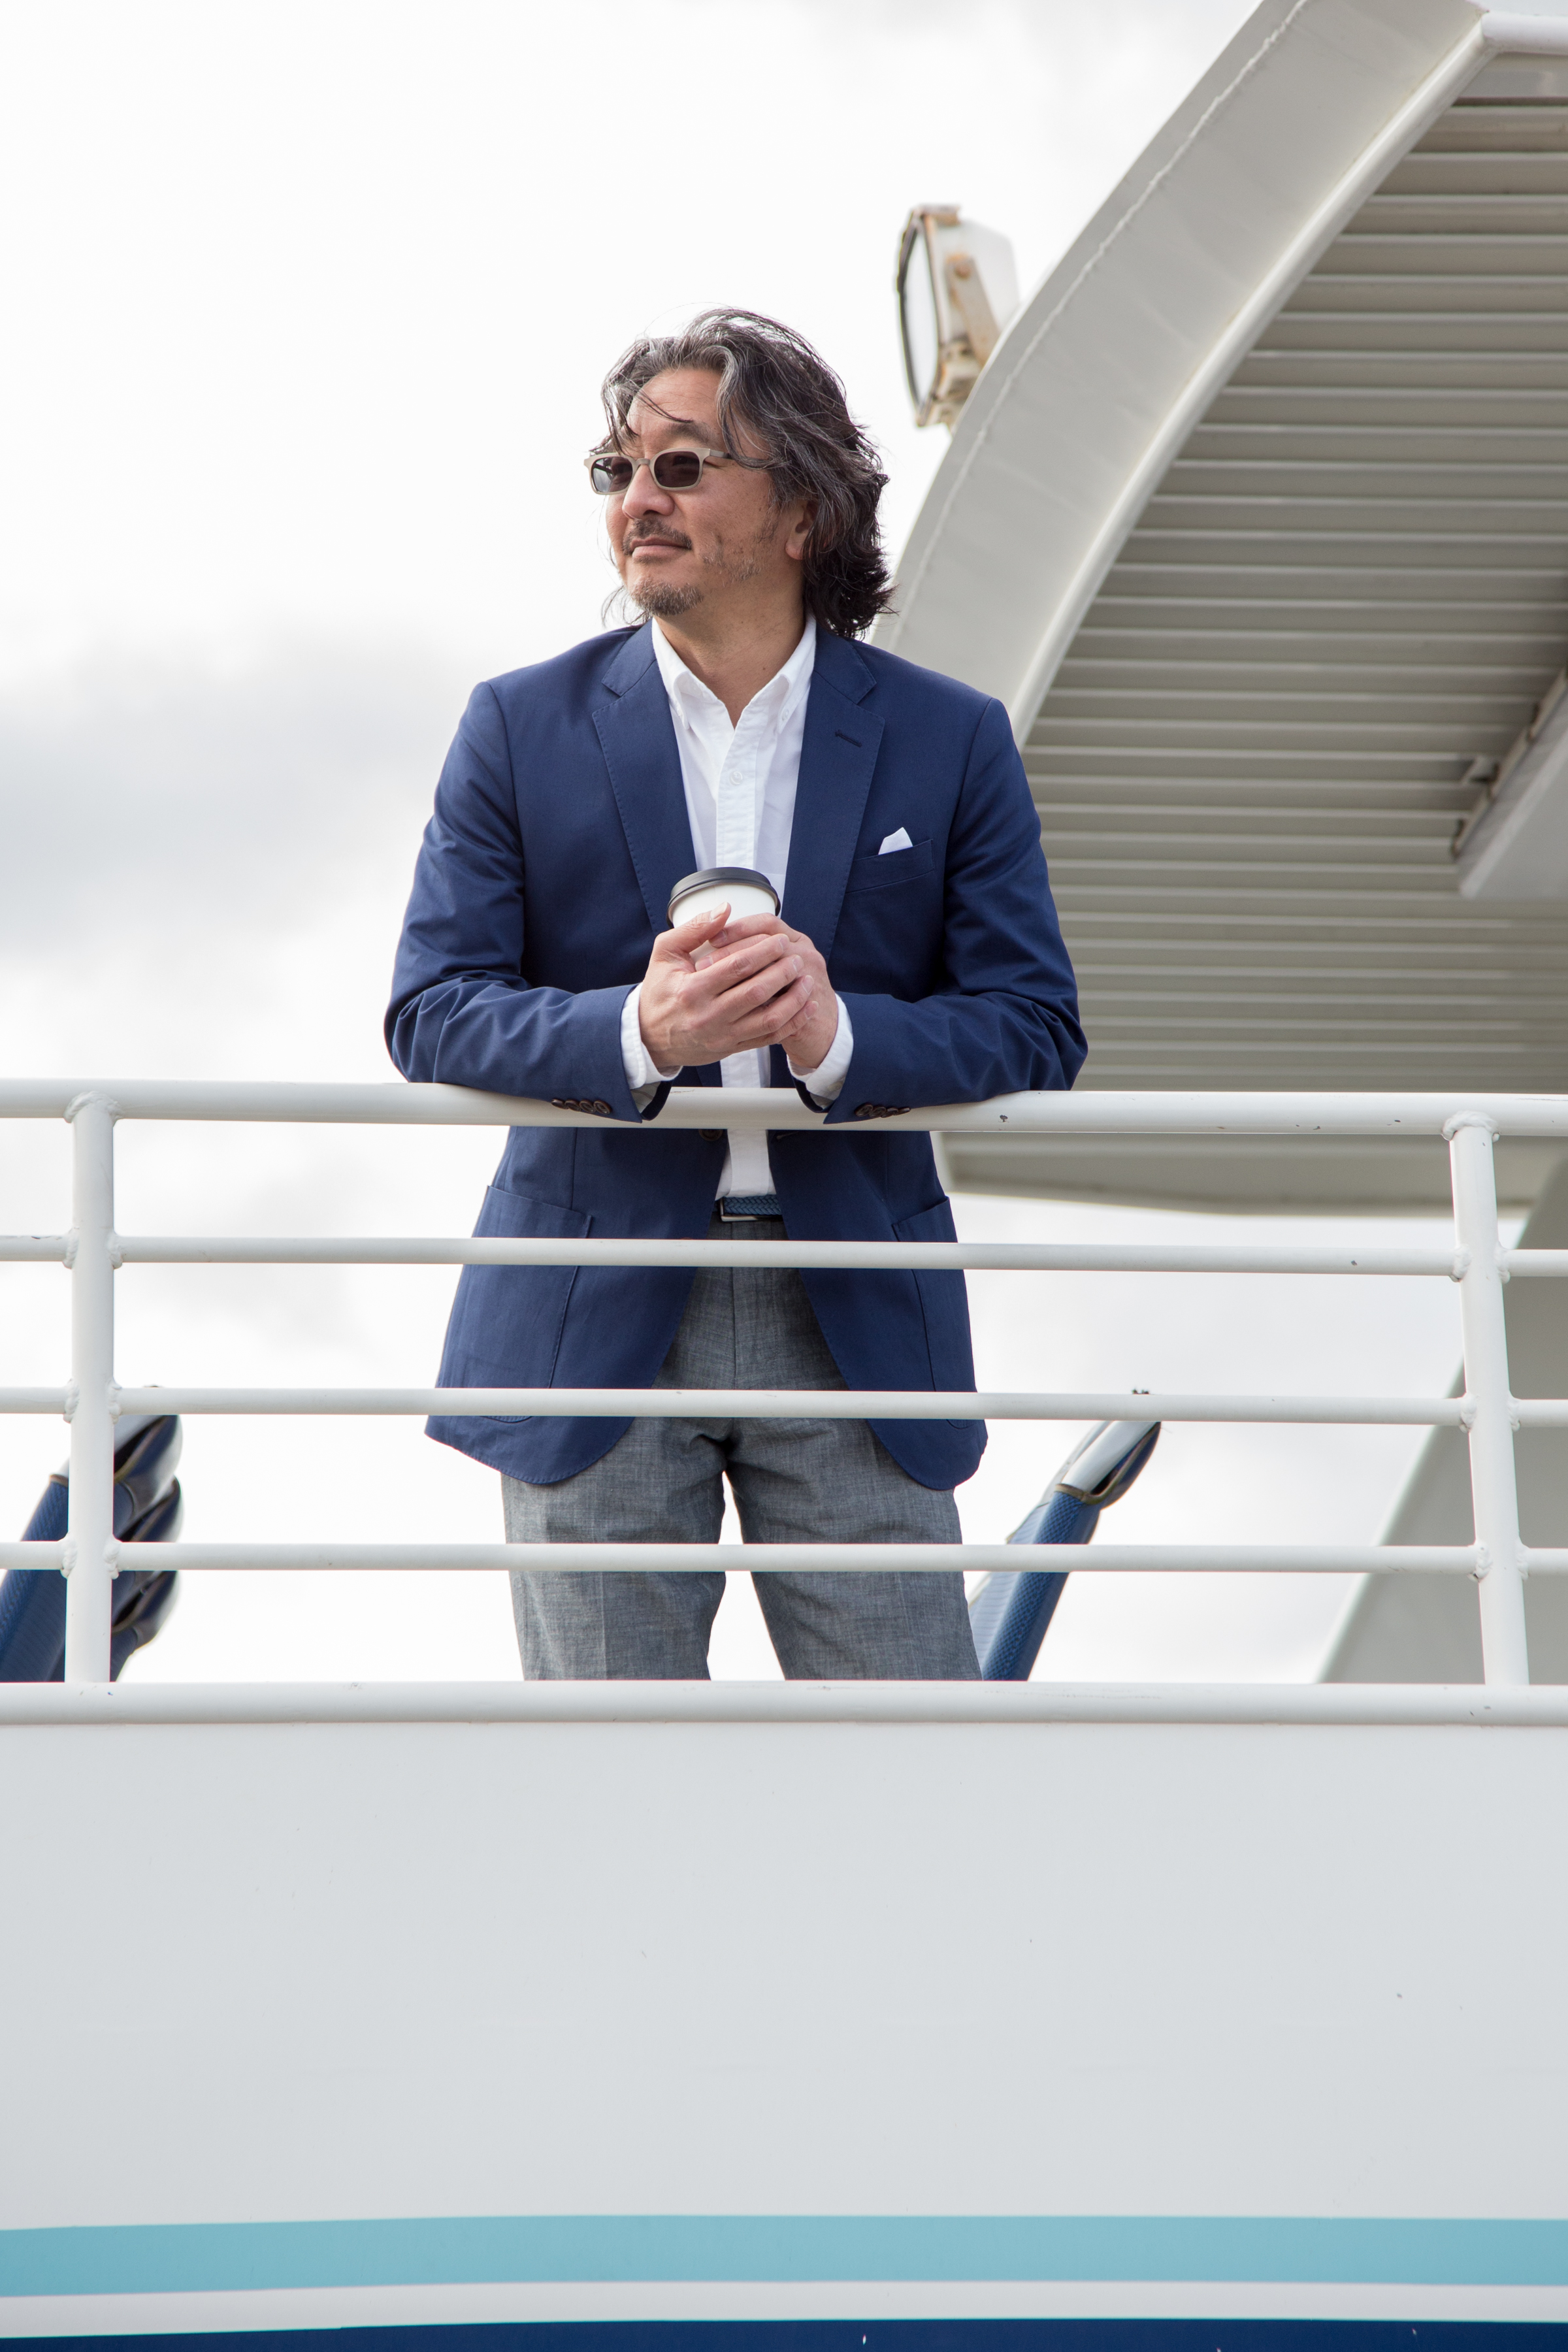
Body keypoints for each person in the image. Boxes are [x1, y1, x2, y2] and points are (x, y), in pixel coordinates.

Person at [386, 308, 1085, 1681]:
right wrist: (634, 1032)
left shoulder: (952, 739)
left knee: (905, 1777)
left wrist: (840, 1040)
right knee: (608, 1805)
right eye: (619, 469)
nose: (639, 499)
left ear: (803, 509)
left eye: (685, 466)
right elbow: (434, 1006)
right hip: (590, 1312)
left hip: (856, 1311)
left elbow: (1034, 1020)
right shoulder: (516, 726)